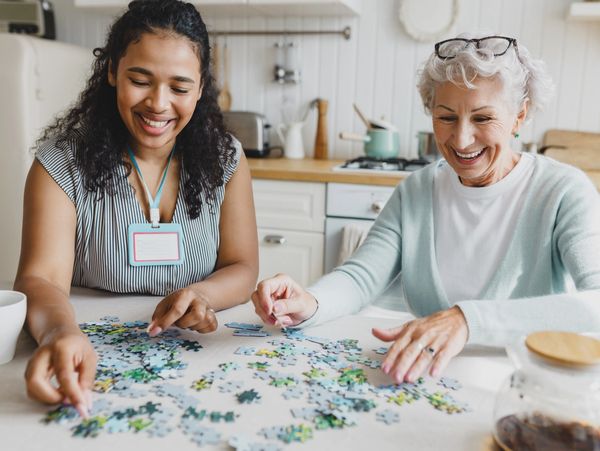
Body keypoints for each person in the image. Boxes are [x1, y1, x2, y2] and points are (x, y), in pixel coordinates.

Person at [252, 34, 600, 385]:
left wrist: (467, 320)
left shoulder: (563, 191)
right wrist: (309, 301)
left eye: (482, 118)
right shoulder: (416, 190)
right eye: (446, 117)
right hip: (422, 381)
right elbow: (360, 278)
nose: (461, 139)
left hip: (522, 388)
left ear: (519, 116)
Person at [14, 0, 258, 416]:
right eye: (140, 80)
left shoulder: (226, 158)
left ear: (201, 89)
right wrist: (59, 333)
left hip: (195, 366)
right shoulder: (60, 162)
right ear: (112, 72)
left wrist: (202, 295)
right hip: (91, 356)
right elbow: (40, 280)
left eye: (180, 88)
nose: (158, 104)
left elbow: (242, 266)